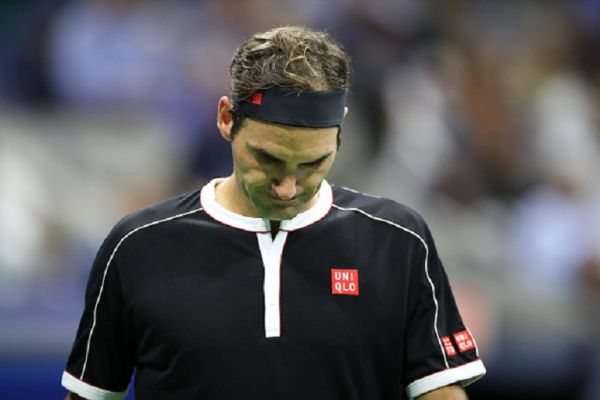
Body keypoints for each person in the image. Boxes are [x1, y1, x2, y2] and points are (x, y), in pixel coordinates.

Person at [62, 26, 485, 400]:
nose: (288, 187)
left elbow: (440, 391)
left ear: (340, 130)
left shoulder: (399, 241)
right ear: (227, 119)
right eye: (268, 159)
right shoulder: (137, 246)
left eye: (312, 164)